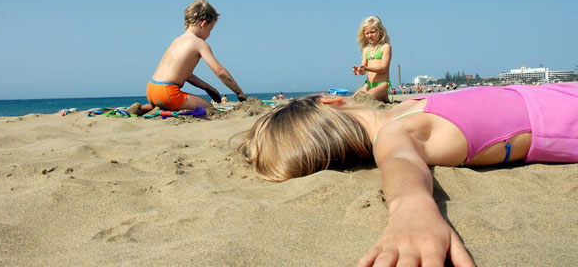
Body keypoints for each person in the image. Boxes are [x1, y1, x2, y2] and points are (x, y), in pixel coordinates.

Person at [237, 83, 578, 267]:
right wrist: (411, 211)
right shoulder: (393, 133)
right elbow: (400, 161)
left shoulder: (400, 111)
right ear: (331, 102)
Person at [139, 0, 247, 113]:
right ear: (203, 24)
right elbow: (219, 71)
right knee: (208, 107)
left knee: (168, 102)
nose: (209, 34)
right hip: (168, 92)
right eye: (211, 29)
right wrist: (239, 92)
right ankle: (160, 106)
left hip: (152, 89)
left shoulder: (177, 41)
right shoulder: (199, 43)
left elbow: (187, 75)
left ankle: (142, 109)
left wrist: (208, 87)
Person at [352, 16, 392, 103]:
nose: (370, 35)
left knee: (366, 99)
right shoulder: (366, 50)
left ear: (380, 32)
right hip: (369, 85)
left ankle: (384, 96)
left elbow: (384, 68)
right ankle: (383, 99)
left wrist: (366, 68)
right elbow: (363, 71)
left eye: (372, 32)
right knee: (352, 99)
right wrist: (359, 70)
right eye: (367, 33)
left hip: (382, 85)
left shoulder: (385, 47)